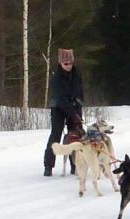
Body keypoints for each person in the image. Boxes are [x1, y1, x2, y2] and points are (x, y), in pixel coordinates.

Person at [43, 48, 84, 177]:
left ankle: (75, 164)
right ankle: (48, 165)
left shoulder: (77, 74)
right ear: (61, 63)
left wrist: (78, 110)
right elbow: (60, 99)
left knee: (76, 135)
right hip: (58, 108)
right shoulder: (56, 78)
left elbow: (80, 93)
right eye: (66, 63)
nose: (68, 66)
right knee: (56, 134)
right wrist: (73, 114)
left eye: (70, 63)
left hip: (73, 107)